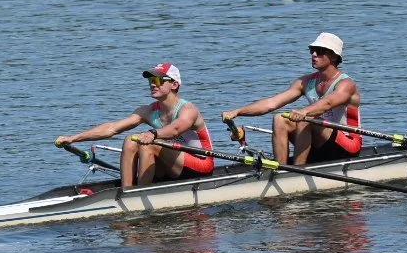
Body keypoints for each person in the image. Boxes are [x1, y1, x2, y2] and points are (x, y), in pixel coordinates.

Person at [55, 63, 216, 187]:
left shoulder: (189, 109)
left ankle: (139, 195)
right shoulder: (147, 111)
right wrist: (74, 138)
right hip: (172, 165)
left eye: (159, 80)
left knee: (149, 144)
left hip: (200, 163)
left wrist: (153, 134)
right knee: (130, 140)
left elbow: (175, 129)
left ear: (174, 85)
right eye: (151, 80)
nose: (153, 84)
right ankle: (128, 191)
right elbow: (112, 128)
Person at [220, 32, 362, 166]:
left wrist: (304, 112)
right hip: (319, 141)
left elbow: (327, 103)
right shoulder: (306, 82)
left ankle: (296, 170)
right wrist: (238, 111)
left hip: (347, 144)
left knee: (305, 120)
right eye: (312, 50)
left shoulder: (346, 84)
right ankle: (281, 169)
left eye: (319, 51)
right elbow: (271, 103)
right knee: (280, 119)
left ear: (334, 56)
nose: (313, 54)